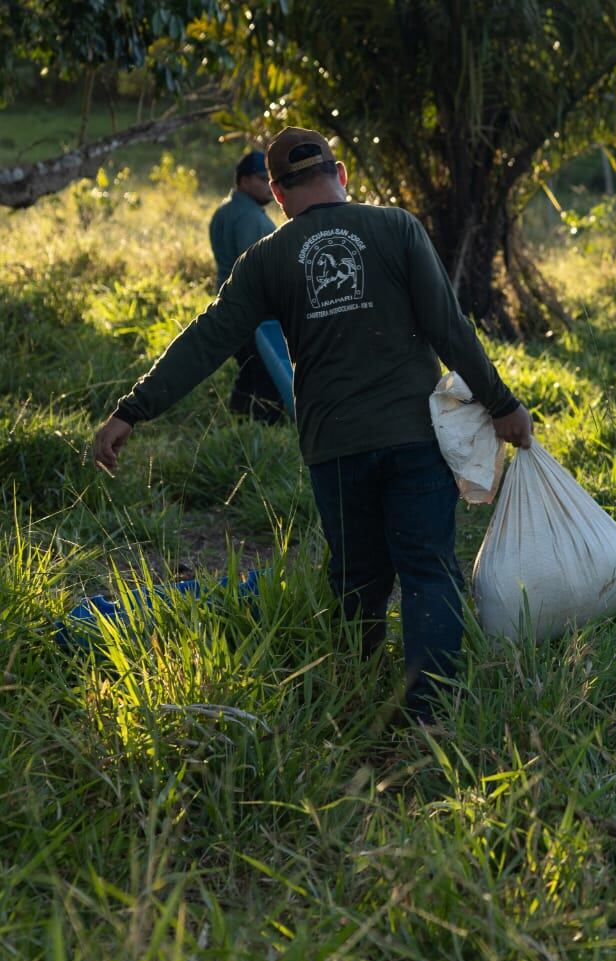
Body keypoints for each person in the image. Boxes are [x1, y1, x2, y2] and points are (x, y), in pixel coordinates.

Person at [93, 127, 535, 724]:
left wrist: (132, 410)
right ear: (341, 174)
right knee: (428, 569)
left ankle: (357, 696)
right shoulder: (397, 227)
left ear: (277, 193)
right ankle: (430, 718)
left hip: (336, 447)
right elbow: (449, 327)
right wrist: (502, 404)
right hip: (415, 436)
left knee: (357, 577)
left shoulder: (267, 258)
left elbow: (206, 340)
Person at [212, 150, 286, 422]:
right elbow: (253, 268)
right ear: (244, 181)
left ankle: (238, 423)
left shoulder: (224, 211)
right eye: (262, 179)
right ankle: (263, 428)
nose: (269, 185)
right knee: (266, 375)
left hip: (230, 304)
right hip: (253, 310)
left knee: (250, 370)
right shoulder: (249, 217)